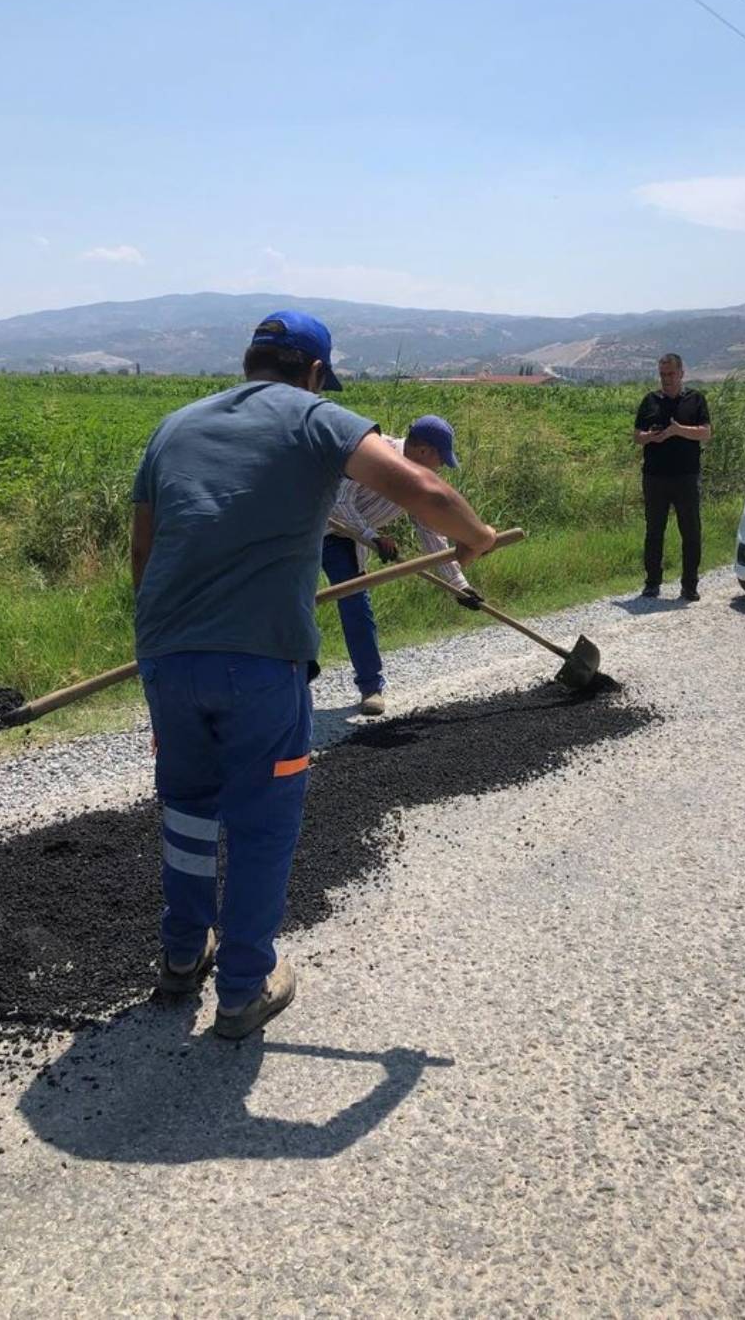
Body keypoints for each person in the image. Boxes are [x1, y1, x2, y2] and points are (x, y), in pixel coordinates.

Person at [131, 310, 496, 1038]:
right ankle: (241, 988)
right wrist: (477, 537)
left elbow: (143, 552)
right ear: (316, 372)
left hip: (167, 655)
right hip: (260, 659)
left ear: (247, 363)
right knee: (263, 822)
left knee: (187, 809)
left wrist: (163, 644)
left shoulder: (173, 427)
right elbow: (425, 489)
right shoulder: (317, 418)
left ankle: (181, 954)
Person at [323, 415, 483, 716]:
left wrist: (459, 585)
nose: (440, 468)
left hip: (346, 541)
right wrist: (372, 536)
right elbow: (338, 504)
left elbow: (430, 530)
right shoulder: (372, 451)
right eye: (440, 460)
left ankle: (370, 688)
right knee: (292, 605)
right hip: (306, 531)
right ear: (423, 451)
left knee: (357, 605)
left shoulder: (417, 479)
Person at [633, 353, 712, 602]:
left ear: (681, 373)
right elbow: (637, 435)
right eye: (662, 374)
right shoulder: (650, 401)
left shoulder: (695, 399)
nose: (666, 379)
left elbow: (705, 433)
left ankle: (689, 585)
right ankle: (652, 583)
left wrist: (678, 430)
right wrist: (651, 437)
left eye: (670, 374)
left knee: (690, 532)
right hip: (655, 477)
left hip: (686, 476)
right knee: (654, 531)